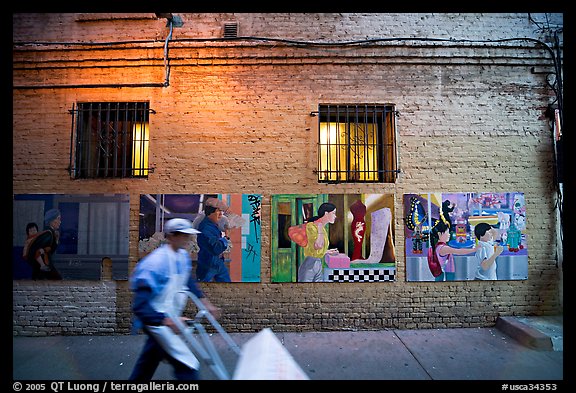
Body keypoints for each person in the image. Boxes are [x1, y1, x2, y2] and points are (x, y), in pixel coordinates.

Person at [129, 218, 220, 381]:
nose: (189, 239)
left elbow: (187, 282)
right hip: (157, 321)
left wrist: (206, 303)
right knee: (186, 365)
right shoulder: (155, 263)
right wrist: (167, 321)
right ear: (171, 236)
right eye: (184, 235)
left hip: (168, 318)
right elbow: (140, 305)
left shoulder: (182, 257)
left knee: (147, 364)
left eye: (189, 235)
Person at [297, 202, 339, 282]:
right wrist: (319, 228)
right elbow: (318, 246)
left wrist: (327, 252)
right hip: (309, 265)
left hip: (318, 263)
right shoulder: (311, 226)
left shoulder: (322, 228)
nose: (335, 216)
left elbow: (316, 249)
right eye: (333, 213)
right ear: (326, 213)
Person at [196, 204, 231, 282]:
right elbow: (216, 248)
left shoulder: (213, 226)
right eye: (218, 211)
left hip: (217, 262)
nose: (221, 214)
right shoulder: (206, 228)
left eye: (221, 211)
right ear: (210, 213)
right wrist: (226, 238)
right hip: (208, 264)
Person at [24, 209, 63, 280]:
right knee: (57, 280)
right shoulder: (47, 234)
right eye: (58, 219)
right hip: (44, 266)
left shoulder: (50, 233)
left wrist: (56, 240)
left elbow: (50, 251)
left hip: (44, 266)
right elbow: (35, 250)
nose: (60, 222)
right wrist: (41, 265)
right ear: (51, 220)